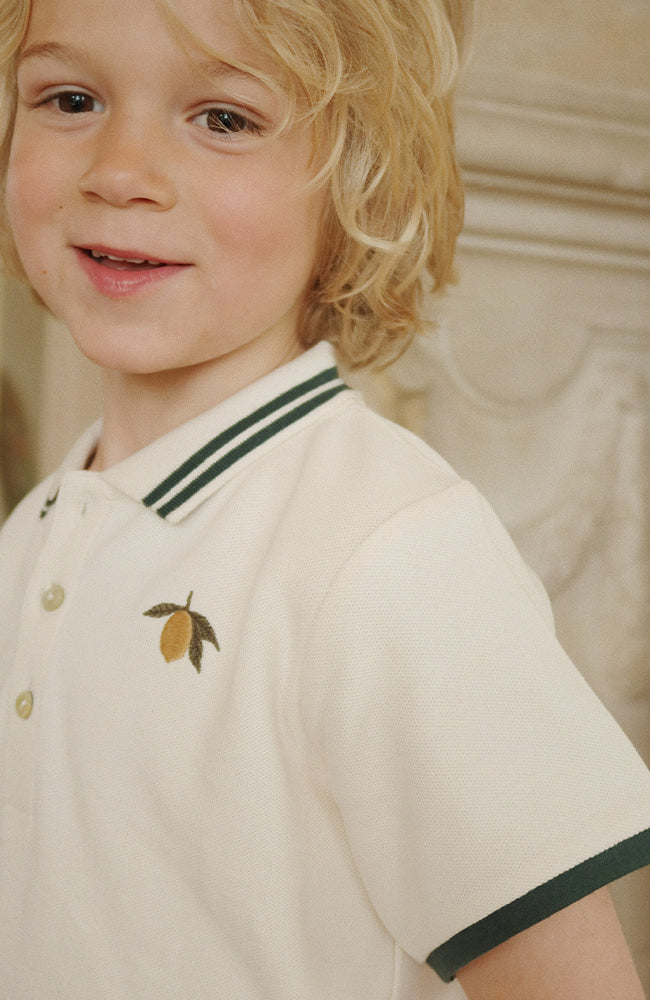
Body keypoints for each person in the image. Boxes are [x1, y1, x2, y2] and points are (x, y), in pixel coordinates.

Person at [0, 0, 648, 997]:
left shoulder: (395, 551)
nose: (119, 171)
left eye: (224, 118)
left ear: (356, 181)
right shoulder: (41, 525)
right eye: (70, 99)